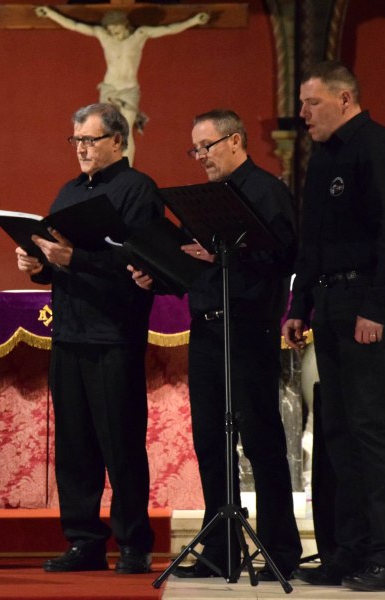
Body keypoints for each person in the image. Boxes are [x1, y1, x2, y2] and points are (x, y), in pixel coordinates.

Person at [131, 109, 301, 581]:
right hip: (206, 329)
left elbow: (284, 257)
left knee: (261, 439)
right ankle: (221, 549)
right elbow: (192, 264)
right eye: (195, 149)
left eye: (205, 146)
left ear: (235, 141)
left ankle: (281, 550)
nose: (200, 156)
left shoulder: (267, 192)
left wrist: (228, 254)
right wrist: (157, 275)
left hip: (248, 328)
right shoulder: (207, 199)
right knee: (211, 439)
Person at [282, 61, 385, 592]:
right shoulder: (323, 158)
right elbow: (312, 243)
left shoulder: (378, 148)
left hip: (368, 302)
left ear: (344, 99)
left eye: (311, 102)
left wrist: (376, 310)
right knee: (337, 430)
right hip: (331, 302)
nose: (302, 113)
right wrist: (299, 305)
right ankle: (350, 550)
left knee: (370, 428)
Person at [15, 103, 162, 574]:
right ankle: (84, 541)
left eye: (89, 139)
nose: (80, 148)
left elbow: (142, 262)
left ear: (117, 141)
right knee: (74, 447)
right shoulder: (69, 191)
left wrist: (74, 258)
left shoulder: (138, 189)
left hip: (115, 334)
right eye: (75, 139)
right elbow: (58, 262)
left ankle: (134, 543)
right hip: (69, 333)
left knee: (121, 444)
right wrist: (38, 265)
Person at [34, 6, 209, 162]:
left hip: (128, 90)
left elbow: (168, 29)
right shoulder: (104, 36)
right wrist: (49, 13)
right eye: (110, 29)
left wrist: (194, 20)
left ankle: (127, 171)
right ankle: (108, 168)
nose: (113, 32)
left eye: (115, 28)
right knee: (106, 131)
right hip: (110, 88)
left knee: (126, 131)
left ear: (124, 24)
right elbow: (75, 26)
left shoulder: (139, 35)